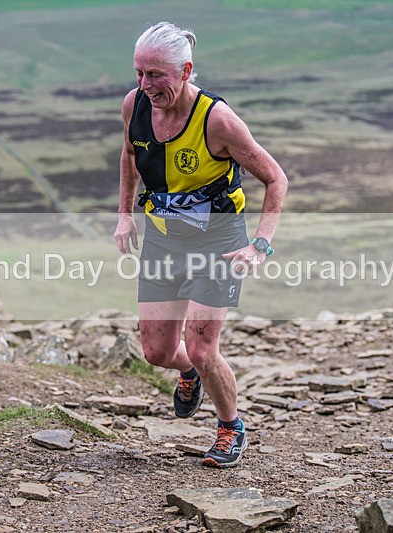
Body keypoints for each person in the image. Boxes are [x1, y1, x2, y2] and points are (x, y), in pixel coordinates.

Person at [114, 21, 288, 468]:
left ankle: (231, 427)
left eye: (156, 75)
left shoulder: (217, 120)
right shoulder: (135, 104)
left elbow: (275, 178)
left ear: (186, 71)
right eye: (139, 73)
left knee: (202, 347)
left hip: (218, 243)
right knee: (156, 352)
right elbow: (130, 155)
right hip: (163, 239)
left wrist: (260, 245)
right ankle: (188, 373)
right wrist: (124, 214)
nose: (145, 84)